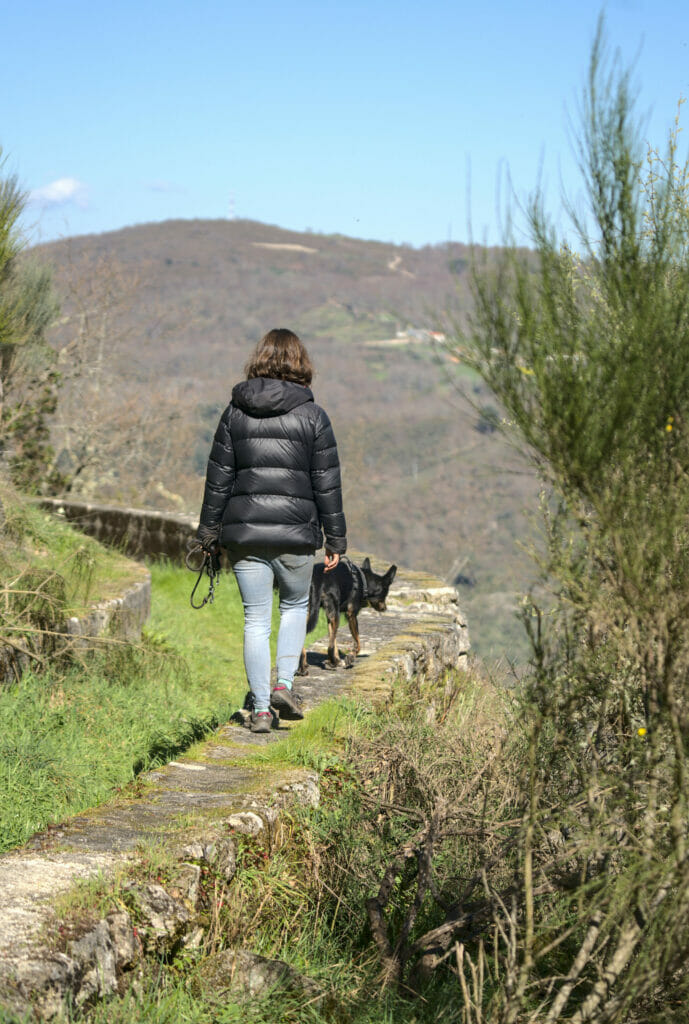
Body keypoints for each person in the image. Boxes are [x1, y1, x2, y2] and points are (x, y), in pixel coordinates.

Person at [196, 328, 347, 733]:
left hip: (245, 536)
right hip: (296, 534)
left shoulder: (234, 412)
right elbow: (326, 483)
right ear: (301, 363)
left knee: (255, 620)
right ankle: (284, 684)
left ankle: (261, 709)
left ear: (259, 360)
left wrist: (208, 532)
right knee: (295, 606)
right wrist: (337, 539)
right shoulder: (314, 416)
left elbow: (218, 478)